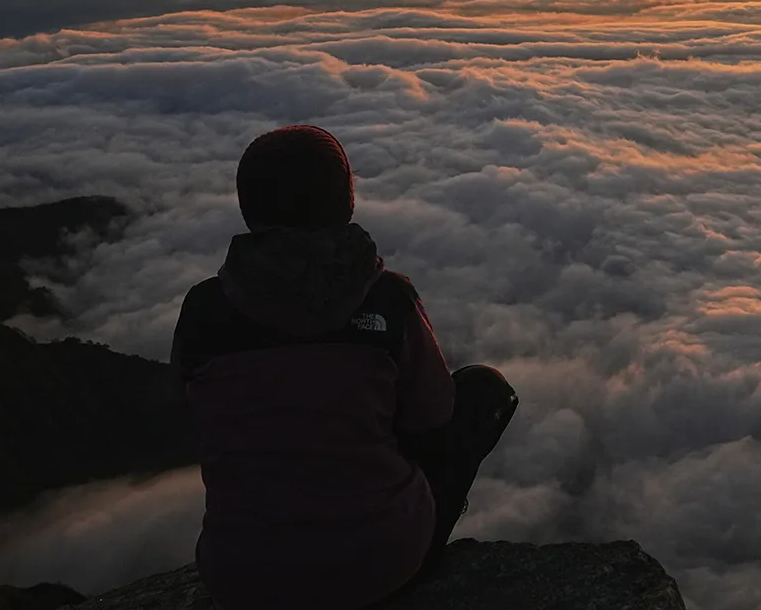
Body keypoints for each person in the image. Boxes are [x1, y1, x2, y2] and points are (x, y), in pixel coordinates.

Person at [172, 125, 517, 610]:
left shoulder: (204, 309)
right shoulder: (389, 299)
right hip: (381, 566)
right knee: (484, 391)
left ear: (249, 208)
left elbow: (196, 413)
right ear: (346, 201)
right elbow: (434, 419)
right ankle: (413, 538)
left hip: (240, 578)